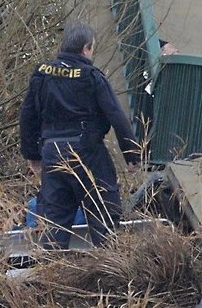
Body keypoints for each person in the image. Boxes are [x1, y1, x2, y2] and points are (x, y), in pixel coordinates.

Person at [19, 22, 140, 249]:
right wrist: (132, 154)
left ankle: (50, 275)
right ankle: (111, 269)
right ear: (86, 49)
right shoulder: (91, 76)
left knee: (54, 221)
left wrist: (33, 154)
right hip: (87, 153)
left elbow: (28, 116)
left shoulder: (42, 74)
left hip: (52, 153)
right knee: (104, 213)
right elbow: (116, 114)